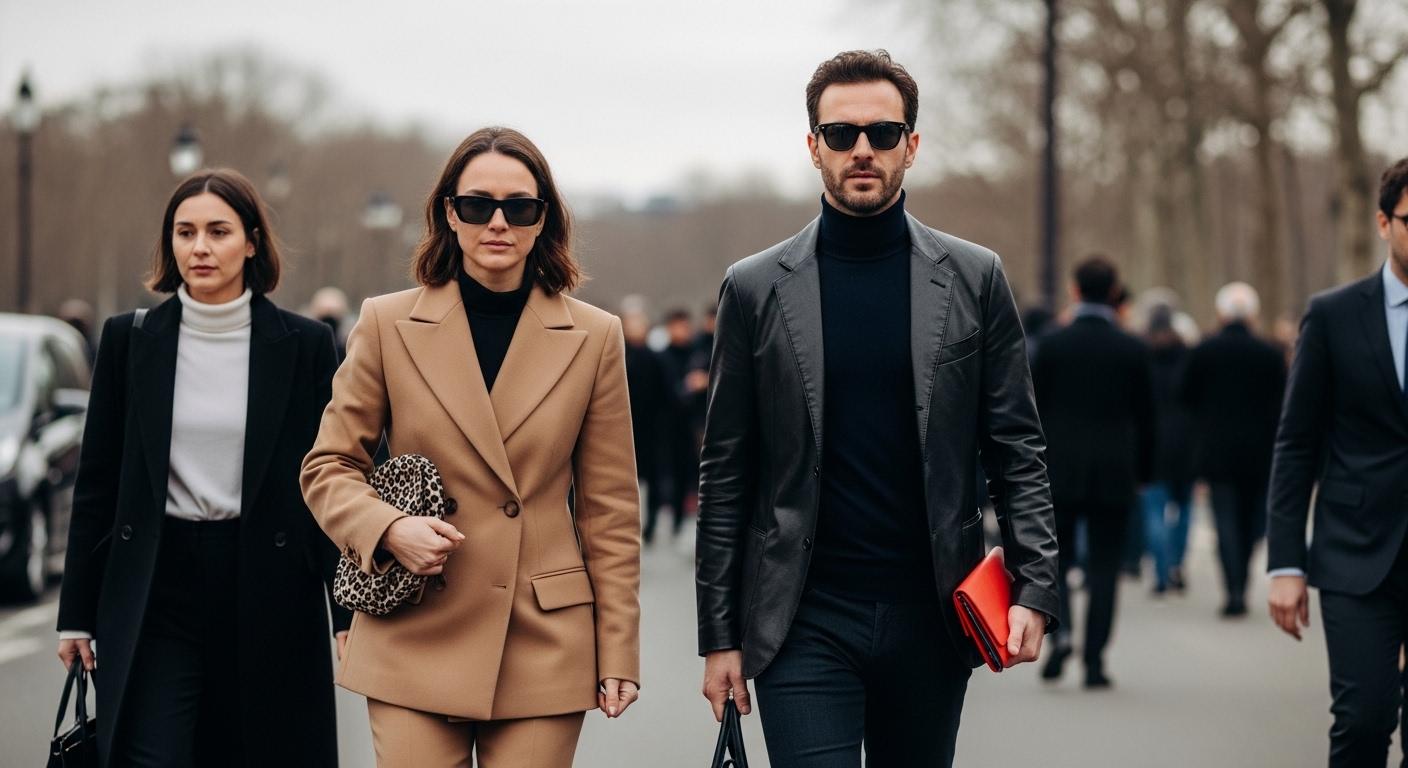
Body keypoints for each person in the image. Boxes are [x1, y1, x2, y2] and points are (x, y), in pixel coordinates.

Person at [696, 50, 1059, 767]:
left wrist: (1035, 586)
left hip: (934, 613)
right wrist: (719, 636)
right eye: (840, 134)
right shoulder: (754, 288)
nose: (862, 149)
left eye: (883, 133)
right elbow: (726, 472)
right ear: (813, 147)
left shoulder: (975, 277)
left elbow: (1018, 447)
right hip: (801, 620)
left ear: (911, 146)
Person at [301, 126, 641, 768]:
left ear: (544, 221)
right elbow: (328, 466)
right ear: (449, 214)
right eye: (477, 204)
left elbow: (610, 510)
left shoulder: (595, 337)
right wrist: (388, 528)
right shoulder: (385, 322)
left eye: (520, 207)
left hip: (542, 633)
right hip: (414, 621)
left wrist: (619, 647)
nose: (498, 222)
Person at [55, 168, 350, 767]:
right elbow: (98, 485)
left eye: (218, 231)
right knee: (151, 755)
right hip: (157, 584)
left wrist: (345, 611)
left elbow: (328, 481)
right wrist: (75, 616)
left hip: (269, 583)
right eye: (184, 232)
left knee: (259, 752)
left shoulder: (305, 345)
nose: (200, 247)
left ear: (251, 243)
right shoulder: (129, 340)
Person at [1267, 157, 1408, 767]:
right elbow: (1297, 443)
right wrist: (1285, 563)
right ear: (1383, 222)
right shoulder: (1333, 315)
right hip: (1357, 553)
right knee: (1364, 718)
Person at [1031, 256, 1154, 688]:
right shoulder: (1133, 347)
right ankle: (1096, 659)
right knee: (1104, 568)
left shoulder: (1051, 344)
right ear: (1115, 291)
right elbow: (1147, 416)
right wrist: (1144, 471)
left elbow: (1033, 410)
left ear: (1074, 290)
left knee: (1055, 563)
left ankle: (1060, 636)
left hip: (1057, 469)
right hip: (1114, 470)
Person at [1180, 282, 1285, 616]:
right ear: (1253, 315)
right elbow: (1283, 402)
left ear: (1221, 313)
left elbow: (1186, 396)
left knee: (1225, 521)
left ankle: (1233, 588)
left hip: (1217, 450)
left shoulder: (1205, 350)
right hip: (1259, 452)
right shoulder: (1270, 353)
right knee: (1254, 520)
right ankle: (1242, 576)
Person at [1141, 302, 1195, 594]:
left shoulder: (1141, 355)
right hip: (1184, 441)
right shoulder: (1187, 355)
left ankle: (1161, 572)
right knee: (1184, 507)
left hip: (1153, 441)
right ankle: (1176, 562)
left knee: (1154, 509)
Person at [621, 300, 672, 545]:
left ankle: (650, 526)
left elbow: (666, 393)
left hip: (651, 428)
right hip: (622, 428)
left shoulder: (654, 357)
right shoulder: (620, 353)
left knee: (651, 477)